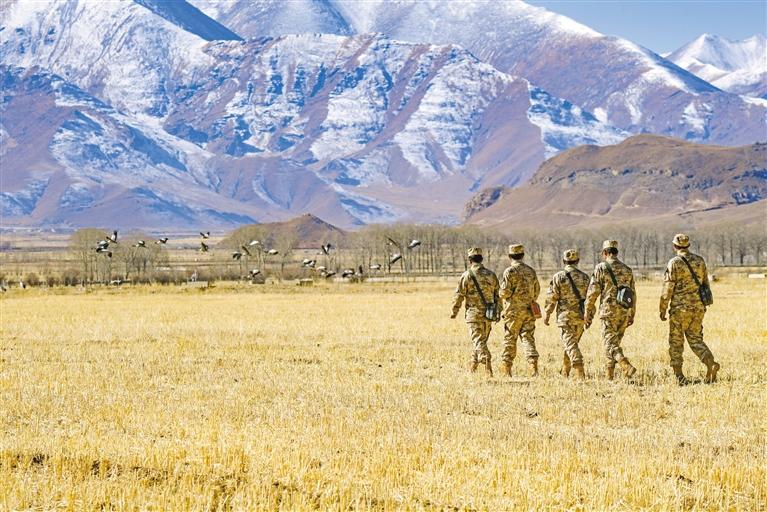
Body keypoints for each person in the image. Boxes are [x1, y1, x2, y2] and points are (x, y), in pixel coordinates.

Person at [659, 233, 720, 385]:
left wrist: (662, 308)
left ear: (675, 246)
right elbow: (705, 284)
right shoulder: (700, 261)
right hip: (698, 307)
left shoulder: (674, 262)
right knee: (696, 339)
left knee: (676, 341)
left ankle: (679, 376)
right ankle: (710, 363)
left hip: (680, 309)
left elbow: (668, 288)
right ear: (688, 245)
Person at [584, 240, 637, 380]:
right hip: (624, 311)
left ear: (605, 252)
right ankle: (609, 376)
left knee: (610, 344)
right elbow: (633, 294)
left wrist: (587, 311)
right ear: (616, 252)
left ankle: (625, 365)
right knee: (614, 343)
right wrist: (632, 313)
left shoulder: (601, 268)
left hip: (608, 312)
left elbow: (593, 292)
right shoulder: (627, 269)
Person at [451, 247, 500, 376]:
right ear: (481, 259)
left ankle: (487, 366)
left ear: (470, 260)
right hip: (489, 314)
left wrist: (454, 311)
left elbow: (459, 295)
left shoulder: (467, 275)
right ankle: (472, 368)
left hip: (474, 315)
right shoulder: (491, 275)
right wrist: (498, 312)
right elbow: (498, 295)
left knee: (479, 342)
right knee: (480, 341)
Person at [544, 249, 590, 380]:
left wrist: (547, 314)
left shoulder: (559, 277)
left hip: (565, 317)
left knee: (570, 344)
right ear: (578, 261)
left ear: (564, 261)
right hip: (581, 316)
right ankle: (565, 371)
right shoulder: (585, 277)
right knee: (571, 343)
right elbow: (590, 298)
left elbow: (552, 298)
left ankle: (579, 371)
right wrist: (589, 315)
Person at [499, 244, 540, 377]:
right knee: (528, 338)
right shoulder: (531, 271)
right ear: (522, 255)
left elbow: (505, 292)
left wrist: (500, 293)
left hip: (513, 312)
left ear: (509, 256)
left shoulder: (509, 272)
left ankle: (507, 370)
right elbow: (536, 291)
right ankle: (533, 367)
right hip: (529, 311)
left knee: (510, 339)